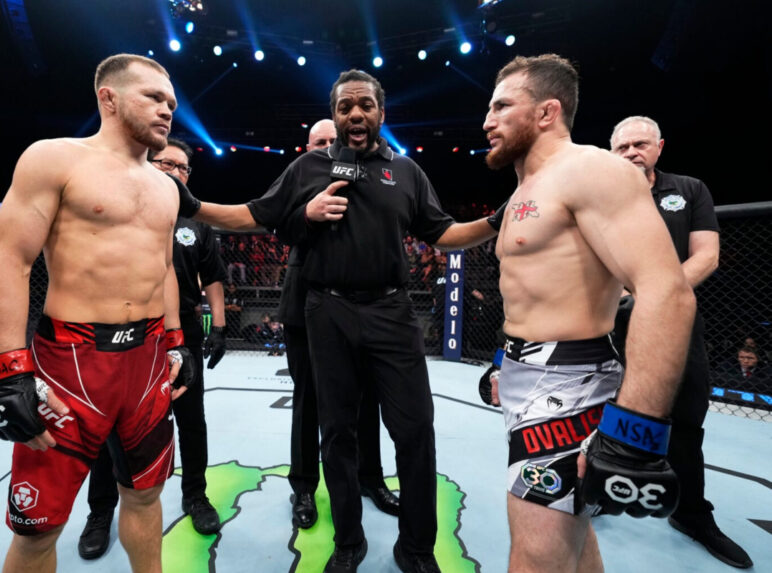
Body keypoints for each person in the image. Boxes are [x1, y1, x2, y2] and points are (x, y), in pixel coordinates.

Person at [179, 73, 503, 573]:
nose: (355, 114)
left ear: (381, 112)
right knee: (336, 433)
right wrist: (194, 206)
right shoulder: (308, 167)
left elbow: (445, 234)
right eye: (345, 106)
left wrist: (499, 219)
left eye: (365, 105)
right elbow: (254, 215)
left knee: (415, 429)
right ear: (335, 112)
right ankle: (348, 541)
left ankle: (417, 548)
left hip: (392, 312)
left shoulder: (408, 172)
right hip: (325, 311)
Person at [0, 53, 196, 573]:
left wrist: (176, 342)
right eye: (153, 98)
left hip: (146, 362)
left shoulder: (167, 187)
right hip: (71, 362)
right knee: (40, 527)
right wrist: (10, 375)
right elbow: (9, 261)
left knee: (146, 495)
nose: (168, 110)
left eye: (171, 101)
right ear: (109, 98)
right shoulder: (55, 158)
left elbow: (163, 270)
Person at [482, 55, 696, 572]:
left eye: (502, 106)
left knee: (535, 556)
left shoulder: (592, 169)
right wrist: (502, 360)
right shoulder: (524, 192)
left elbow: (667, 291)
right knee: (572, 537)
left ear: (547, 111)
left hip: (566, 388)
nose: (487, 121)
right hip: (526, 375)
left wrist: (633, 431)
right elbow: (532, 293)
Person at [610, 114, 752, 568]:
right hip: (609, 318)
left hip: (673, 318)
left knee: (688, 416)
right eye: (622, 147)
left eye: (640, 144)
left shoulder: (688, 190)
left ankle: (691, 513)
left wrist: (654, 297)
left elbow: (707, 256)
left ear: (659, 147)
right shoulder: (600, 197)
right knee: (595, 407)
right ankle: (589, 492)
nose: (632, 152)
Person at [76, 137, 228, 560]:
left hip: (182, 336)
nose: (174, 172)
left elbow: (213, 277)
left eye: (182, 168)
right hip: (125, 333)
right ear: (148, 162)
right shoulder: (124, 210)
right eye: (166, 163)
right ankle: (101, 512)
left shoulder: (197, 225)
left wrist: (219, 325)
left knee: (190, 420)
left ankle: (195, 496)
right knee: (110, 428)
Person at [281, 119, 401, 533]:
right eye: (321, 142)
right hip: (307, 306)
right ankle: (303, 488)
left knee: (366, 400)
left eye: (334, 140)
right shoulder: (302, 176)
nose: (331, 146)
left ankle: (370, 478)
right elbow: (275, 222)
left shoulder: (368, 176)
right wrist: (308, 213)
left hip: (365, 309)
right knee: (309, 401)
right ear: (308, 147)